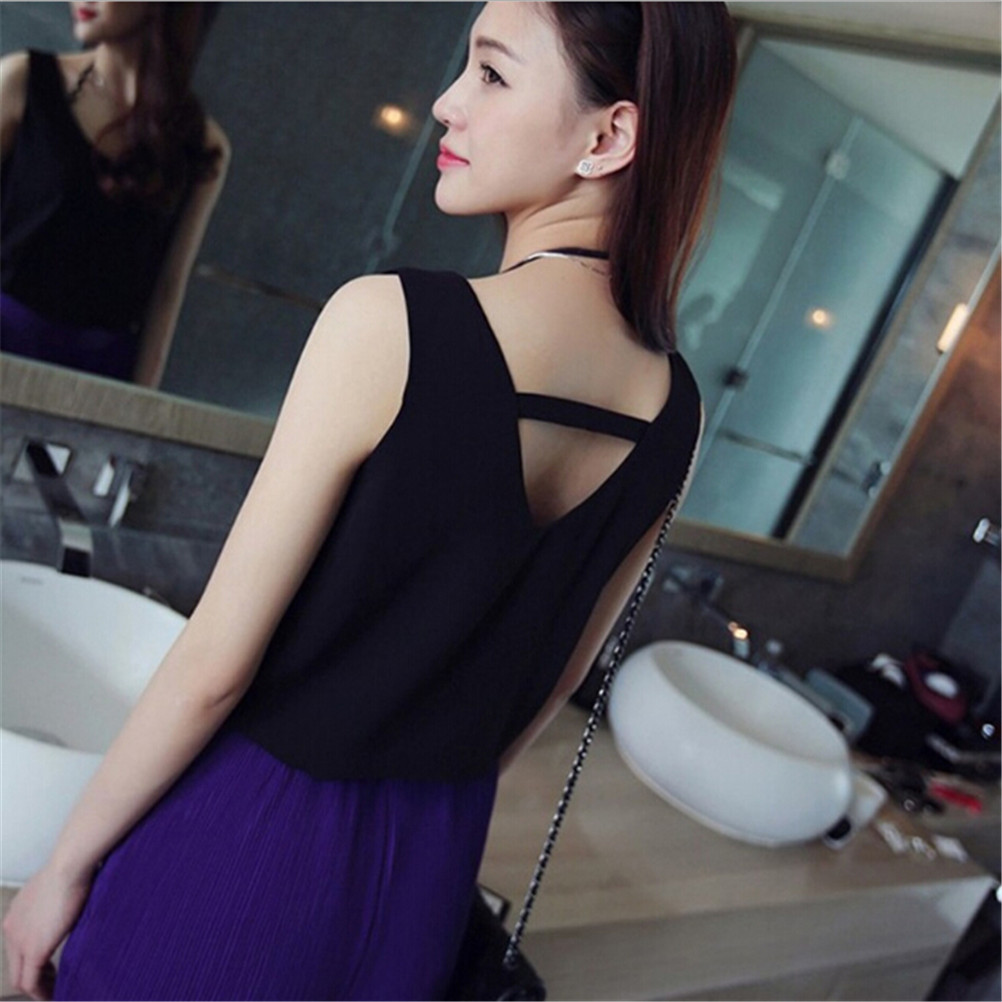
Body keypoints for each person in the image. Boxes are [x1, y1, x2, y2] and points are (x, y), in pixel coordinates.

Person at [2, 3, 736, 998]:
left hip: (241, 853)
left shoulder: (387, 323)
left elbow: (212, 670)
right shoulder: (679, 416)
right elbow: (546, 690)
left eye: (491, 73)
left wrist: (62, 867)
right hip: (425, 882)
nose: (446, 103)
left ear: (609, 137)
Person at [0, 1, 229, 387]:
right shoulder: (23, 80)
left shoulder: (201, 144)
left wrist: (138, 404)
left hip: (97, 375)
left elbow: (168, 289)